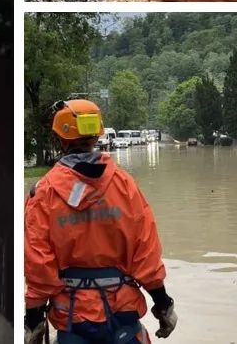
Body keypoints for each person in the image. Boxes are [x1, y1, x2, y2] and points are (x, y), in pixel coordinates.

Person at [25, 99, 178, 344]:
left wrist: (33, 318)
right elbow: (145, 252)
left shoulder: (43, 193)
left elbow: (38, 263)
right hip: (122, 312)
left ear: (60, 139)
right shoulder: (124, 184)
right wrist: (163, 304)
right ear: (97, 135)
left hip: (72, 317)